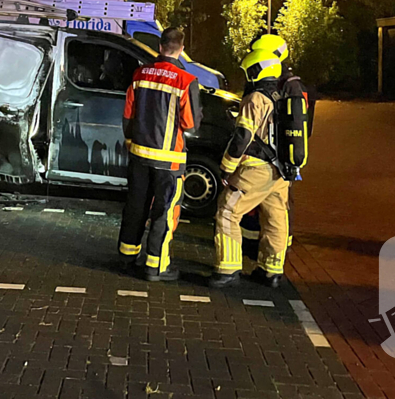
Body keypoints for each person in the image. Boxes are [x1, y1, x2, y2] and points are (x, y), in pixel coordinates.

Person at [117, 27, 202, 282]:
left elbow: (128, 116)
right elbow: (191, 125)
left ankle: (126, 257)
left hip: (139, 156)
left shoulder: (140, 74)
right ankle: (156, 266)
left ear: (160, 46)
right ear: (182, 48)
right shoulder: (185, 81)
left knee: (135, 207)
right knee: (163, 211)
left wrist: (132, 142)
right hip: (169, 161)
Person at [210, 33, 292, 289]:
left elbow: (242, 136)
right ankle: (271, 271)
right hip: (280, 172)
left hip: (255, 170)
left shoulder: (255, 99)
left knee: (227, 211)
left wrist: (227, 166)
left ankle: (227, 269)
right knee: (275, 218)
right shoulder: (282, 96)